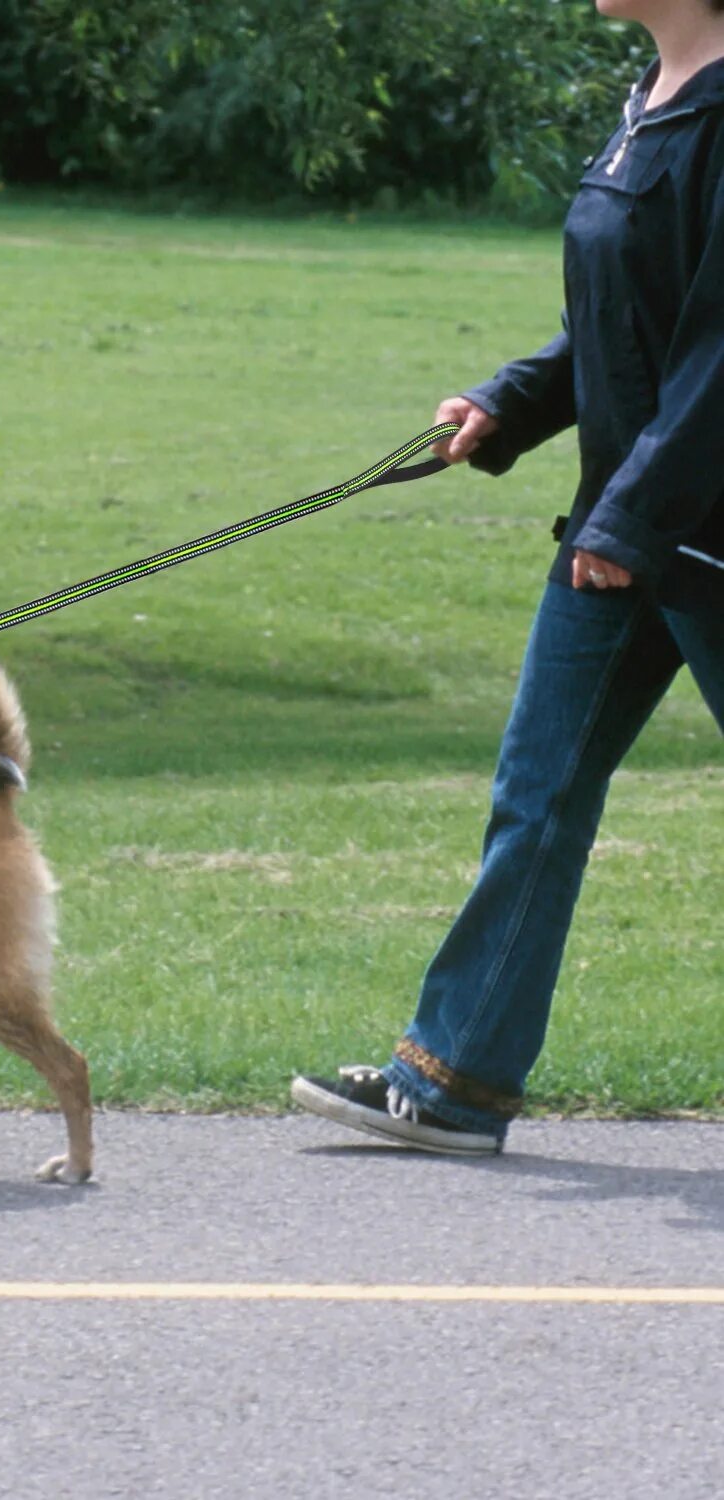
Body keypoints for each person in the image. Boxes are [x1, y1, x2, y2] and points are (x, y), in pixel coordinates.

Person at [292, 0, 724, 1154]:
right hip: (624, 535)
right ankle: (454, 1082)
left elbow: (720, 353)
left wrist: (634, 520)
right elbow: (627, 319)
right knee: (535, 799)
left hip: (692, 537)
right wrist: (513, 402)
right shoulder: (655, 102)